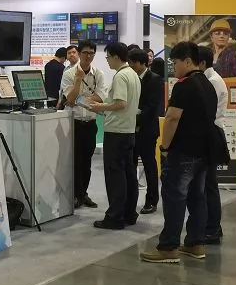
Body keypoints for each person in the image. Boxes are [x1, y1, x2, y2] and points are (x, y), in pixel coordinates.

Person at [140, 41, 217, 264]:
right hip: (203, 151)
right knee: (197, 197)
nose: (173, 67)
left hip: (183, 152)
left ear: (188, 61)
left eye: (175, 63)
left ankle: (169, 247)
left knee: (174, 198)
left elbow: (172, 118)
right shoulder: (208, 84)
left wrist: (164, 147)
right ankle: (195, 243)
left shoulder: (184, 85)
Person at [88, 43, 141, 229]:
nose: (107, 61)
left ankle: (115, 217)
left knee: (115, 176)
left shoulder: (120, 76)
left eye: (108, 57)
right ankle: (129, 213)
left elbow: (120, 103)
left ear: (116, 56)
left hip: (117, 133)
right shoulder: (133, 74)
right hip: (128, 131)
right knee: (128, 175)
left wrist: (99, 106)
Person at [60, 40, 105, 209]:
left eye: (92, 53)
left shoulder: (98, 73)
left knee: (87, 162)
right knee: (74, 161)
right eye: (85, 53)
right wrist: (78, 80)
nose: (88, 56)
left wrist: (79, 99)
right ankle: (75, 195)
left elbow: (100, 97)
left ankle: (83, 194)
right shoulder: (69, 74)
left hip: (90, 123)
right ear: (79, 53)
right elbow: (70, 99)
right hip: (73, 124)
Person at [200, 48, 228, 244]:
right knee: (206, 184)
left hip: (210, 134)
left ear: (201, 63)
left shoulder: (213, 81)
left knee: (209, 184)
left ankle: (213, 228)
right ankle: (211, 225)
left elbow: (206, 112)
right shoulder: (208, 79)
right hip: (208, 133)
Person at [129, 49, 161, 214]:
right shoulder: (131, 77)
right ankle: (130, 200)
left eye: (133, 63)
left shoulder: (154, 79)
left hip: (147, 130)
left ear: (142, 63)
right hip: (130, 130)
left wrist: (135, 121)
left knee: (149, 165)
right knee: (130, 165)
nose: (130, 66)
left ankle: (151, 200)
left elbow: (151, 106)